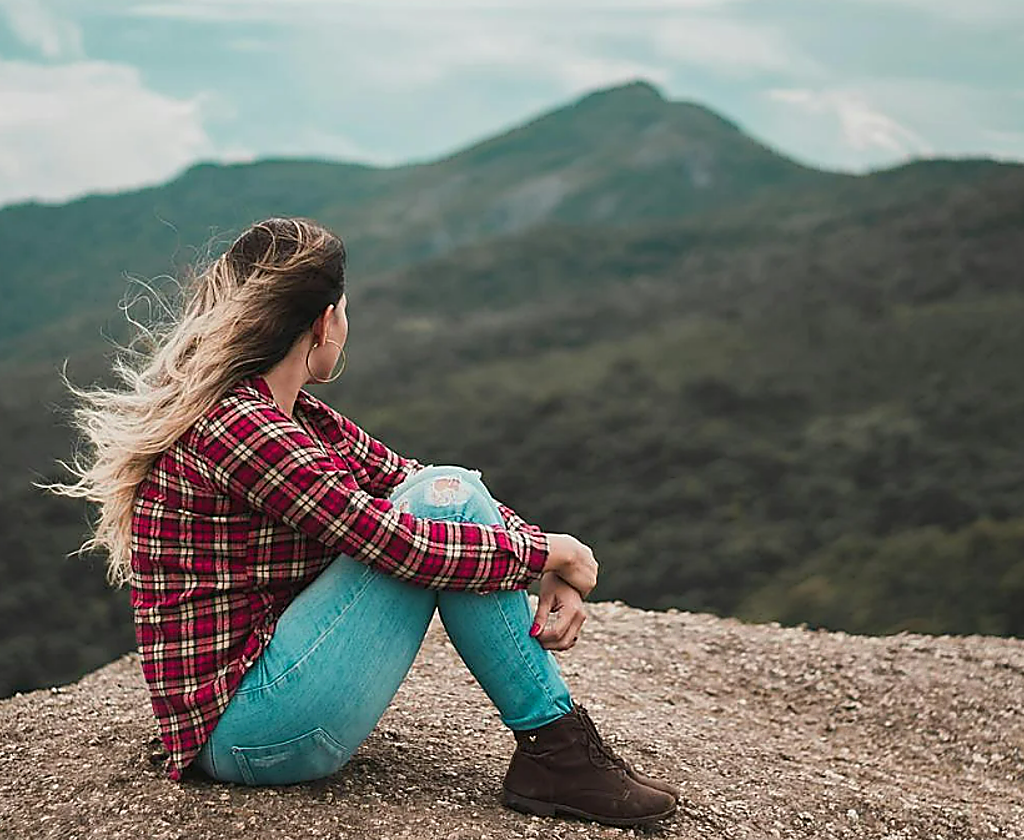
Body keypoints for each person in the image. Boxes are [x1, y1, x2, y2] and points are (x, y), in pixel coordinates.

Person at [43, 216, 678, 827]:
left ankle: (558, 752)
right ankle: (558, 751)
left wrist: (547, 557)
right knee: (435, 511)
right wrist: (549, 555)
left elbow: (422, 482)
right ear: (325, 322)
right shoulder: (243, 427)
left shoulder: (294, 416)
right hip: (248, 731)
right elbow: (398, 542)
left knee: (444, 486)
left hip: (269, 696)